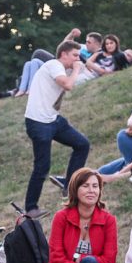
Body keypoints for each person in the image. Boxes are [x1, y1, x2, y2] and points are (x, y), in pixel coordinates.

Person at [23, 40, 90, 218]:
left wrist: (81, 66)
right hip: (38, 123)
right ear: (64, 54)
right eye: (75, 55)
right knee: (42, 166)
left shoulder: (65, 69)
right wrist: (76, 69)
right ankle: (30, 208)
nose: (78, 59)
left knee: (82, 144)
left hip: (53, 120)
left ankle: (68, 186)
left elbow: (84, 72)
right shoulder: (53, 65)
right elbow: (67, 85)